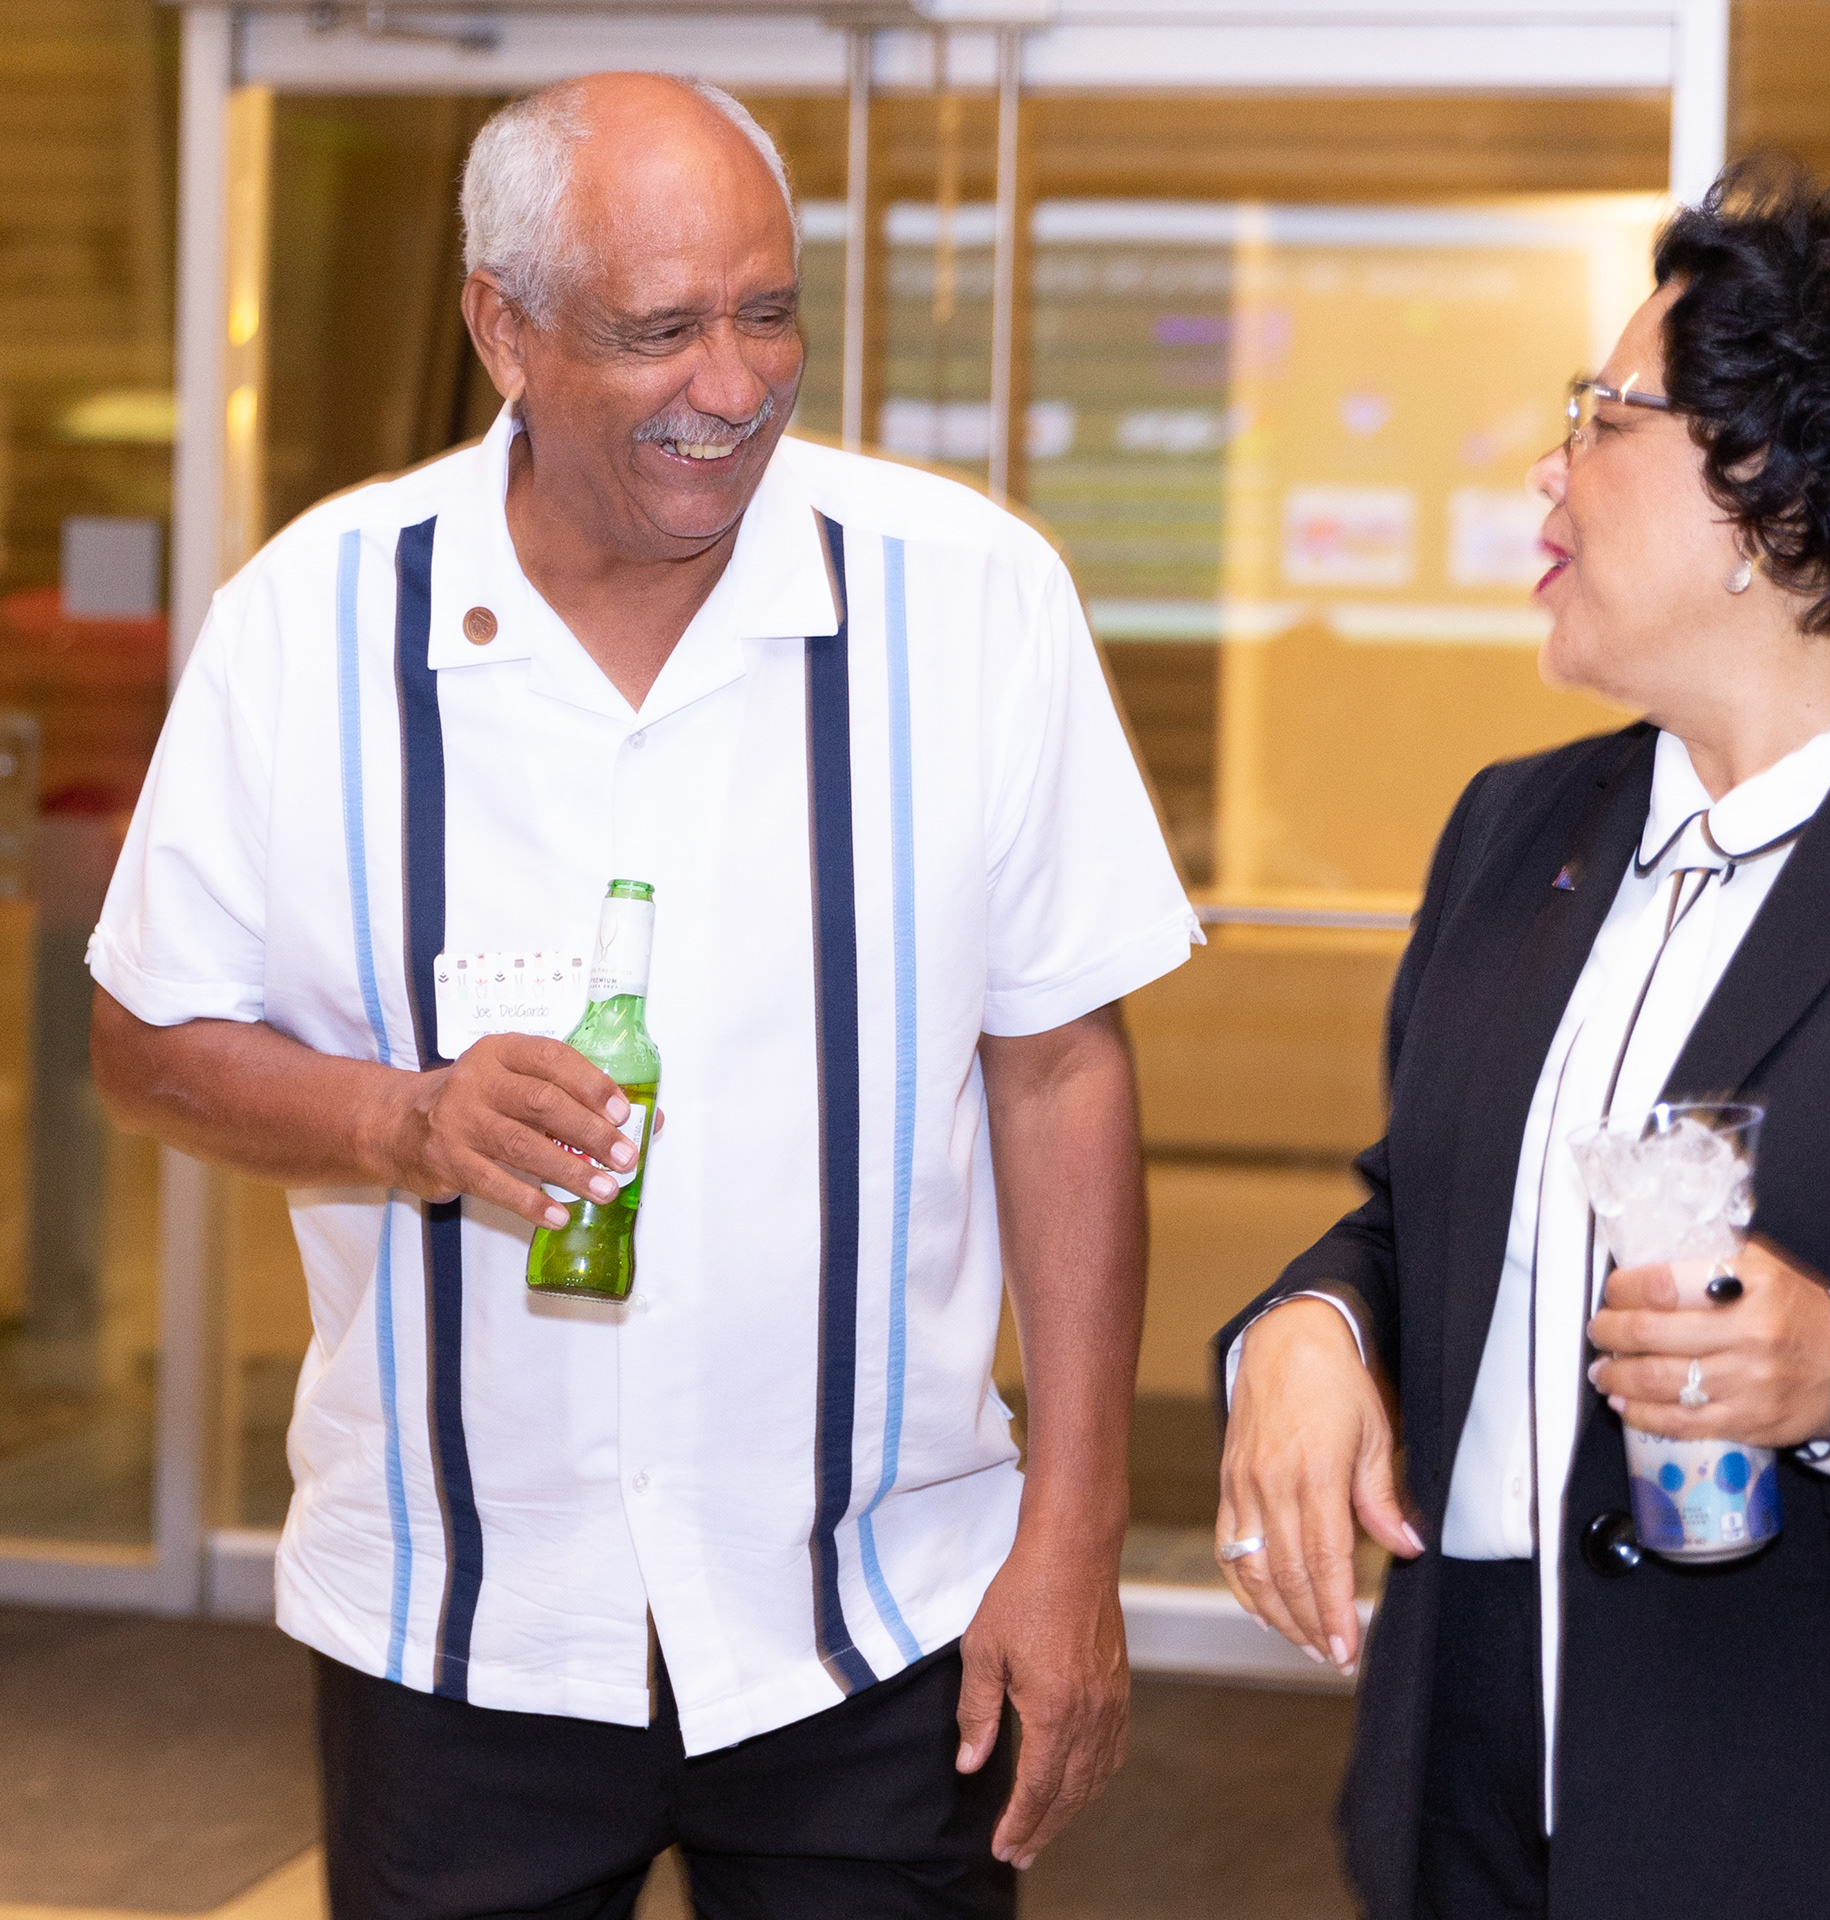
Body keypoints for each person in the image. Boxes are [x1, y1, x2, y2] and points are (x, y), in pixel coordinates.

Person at [89, 73, 1197, 1920]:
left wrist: (1074, 1538)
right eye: (659, 328)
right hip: (461, 1630)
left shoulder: (972, 599)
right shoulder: (311, 621)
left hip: (877, 1623)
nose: (732, 382)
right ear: (501, 329)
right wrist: (398, 1120)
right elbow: (146, 1044)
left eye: (768, 313)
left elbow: (1059, 1067)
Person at [1215, 164, 1830, 1920]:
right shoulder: (1520, 827)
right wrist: (1310, 1326)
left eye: (1603, 421)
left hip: (1810, 1822)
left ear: (1771, 491)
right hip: (1466, 1798)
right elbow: (1417, 1210)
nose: (1548, 470)